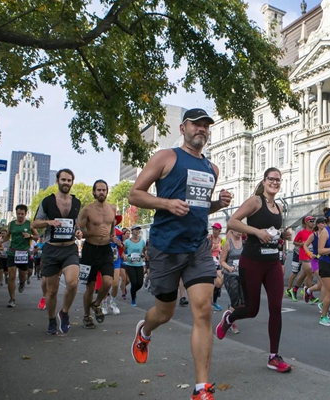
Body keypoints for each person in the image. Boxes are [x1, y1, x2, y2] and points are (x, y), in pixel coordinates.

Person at [128, 108, 231, 400]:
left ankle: (202, 389)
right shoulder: (166, 157)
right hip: (165, 247)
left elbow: (198, 207)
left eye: (206, 126)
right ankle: (144, 331)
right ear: (184, 128)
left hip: (197, 247)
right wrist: (165, 203)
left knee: (203, 311)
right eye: (196, 125)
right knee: (165, 312)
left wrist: (217, 205)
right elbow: (135, 194)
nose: (202, 129)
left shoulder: (212, 169)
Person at [216, 167, 293, 373]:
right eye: (271, 179)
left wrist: (282, 236)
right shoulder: (255, 201)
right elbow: (233, 222)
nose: (275, 183)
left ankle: (273, 356)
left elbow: (272, 233)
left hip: (272, 263)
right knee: (252, 309)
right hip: (252, 261)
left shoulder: (278, 207)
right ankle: (229, 318)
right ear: (264, 181)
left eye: (278, 180)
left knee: (276, 307)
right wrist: (256, 231)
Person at [31, 169, 81, 334]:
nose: (66, 183)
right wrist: (49, 222)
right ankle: (52, 320)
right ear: (57, 181)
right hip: (52, 249)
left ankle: (64, 312)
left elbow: (77, 224)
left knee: (73, 284)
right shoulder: (47, 202)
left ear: (72, 182)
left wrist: (79, 231)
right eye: (63, 180)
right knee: (52, 291)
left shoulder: (77, 203)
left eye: (69, 180)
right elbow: (34, 224)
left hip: (70, 249)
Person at [77, 179, 117, 329]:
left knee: (108, 282)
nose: (101, 192)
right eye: (99, 190)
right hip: (90, 250)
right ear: (94, 192)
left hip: (106, 249)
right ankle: (87, 316)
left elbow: (111, 228)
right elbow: (79, 232)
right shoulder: (87, 210)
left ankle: (97, 303)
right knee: (90, 286)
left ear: (107, 192)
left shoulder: (112, 209)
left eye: (104, 190)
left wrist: (113, 236)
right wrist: (92, 232)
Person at [3, 205, 39, 308]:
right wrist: (1, 241)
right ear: (16, 213)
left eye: (22, 214)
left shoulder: (30, 224)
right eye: (18, 214)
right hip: (12, 252)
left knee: (22, 275)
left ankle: (22, 282)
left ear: (26, 214)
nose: (20, 216)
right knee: (12, 276)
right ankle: (12, 299)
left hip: (24, 253)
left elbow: (37, 237)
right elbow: (8, 235)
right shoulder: (11, 224)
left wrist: (30, 236)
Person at [219, 228, 244, 334]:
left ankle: (228, 317)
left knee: (242, 303)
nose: (239, 232)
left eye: (240, 230)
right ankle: (230, 323)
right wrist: (228, 268)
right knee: (235, 301)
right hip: (231, 276)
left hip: (242, 275)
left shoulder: (244, 242)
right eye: (237, 230)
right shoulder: (228, 244)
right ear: (232, 231)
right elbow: (222, 261)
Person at [303, 217, 328, 310]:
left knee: (321, 285)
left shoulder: (327, 235)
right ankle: (323, 305)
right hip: (315, 261)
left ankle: (308, 290)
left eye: (325, 223)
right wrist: (309, 254)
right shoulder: (314, 235)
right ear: (318, 225)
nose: (323, 225)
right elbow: (305, 245)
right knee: (323, 282)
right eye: (321, 223)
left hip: (325, 260)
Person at [291, 216, 316, 302]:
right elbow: (294, 242)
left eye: (313, 221)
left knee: (304, 275)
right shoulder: (301, 232)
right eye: (310, 221)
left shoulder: (314, 232)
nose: (312, 222)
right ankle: (310, 295)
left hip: (313, 255)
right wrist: (301, 244)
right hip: (304, 255)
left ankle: (294, 289)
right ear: (306, 223)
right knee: (310, 274)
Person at [123, 225, 147, 307]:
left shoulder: (142, 241)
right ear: (132, 231)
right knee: (134, 282)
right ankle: (133, 299)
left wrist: (144, 256)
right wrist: (124, 256)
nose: (137, 231)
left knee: (140, 283)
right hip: (130, 264)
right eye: (135, 230)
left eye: (138, 230)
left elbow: (144, 251)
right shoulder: (127, 242)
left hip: (139, 264)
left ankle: (133, 292)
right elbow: (121, 251)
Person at [210, 222, 224, 311]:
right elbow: (203, 251)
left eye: (216, 229)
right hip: (208, 262)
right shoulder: (208, 239)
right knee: (210, 284)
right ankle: (211, 302)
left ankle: (214, 301)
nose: (214, 231)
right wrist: (211, 249)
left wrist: (221, 253)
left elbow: (221, 250)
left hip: (217, 262)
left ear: (219, 231)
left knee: (219, 283)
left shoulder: (220, 240)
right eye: (213, 229)